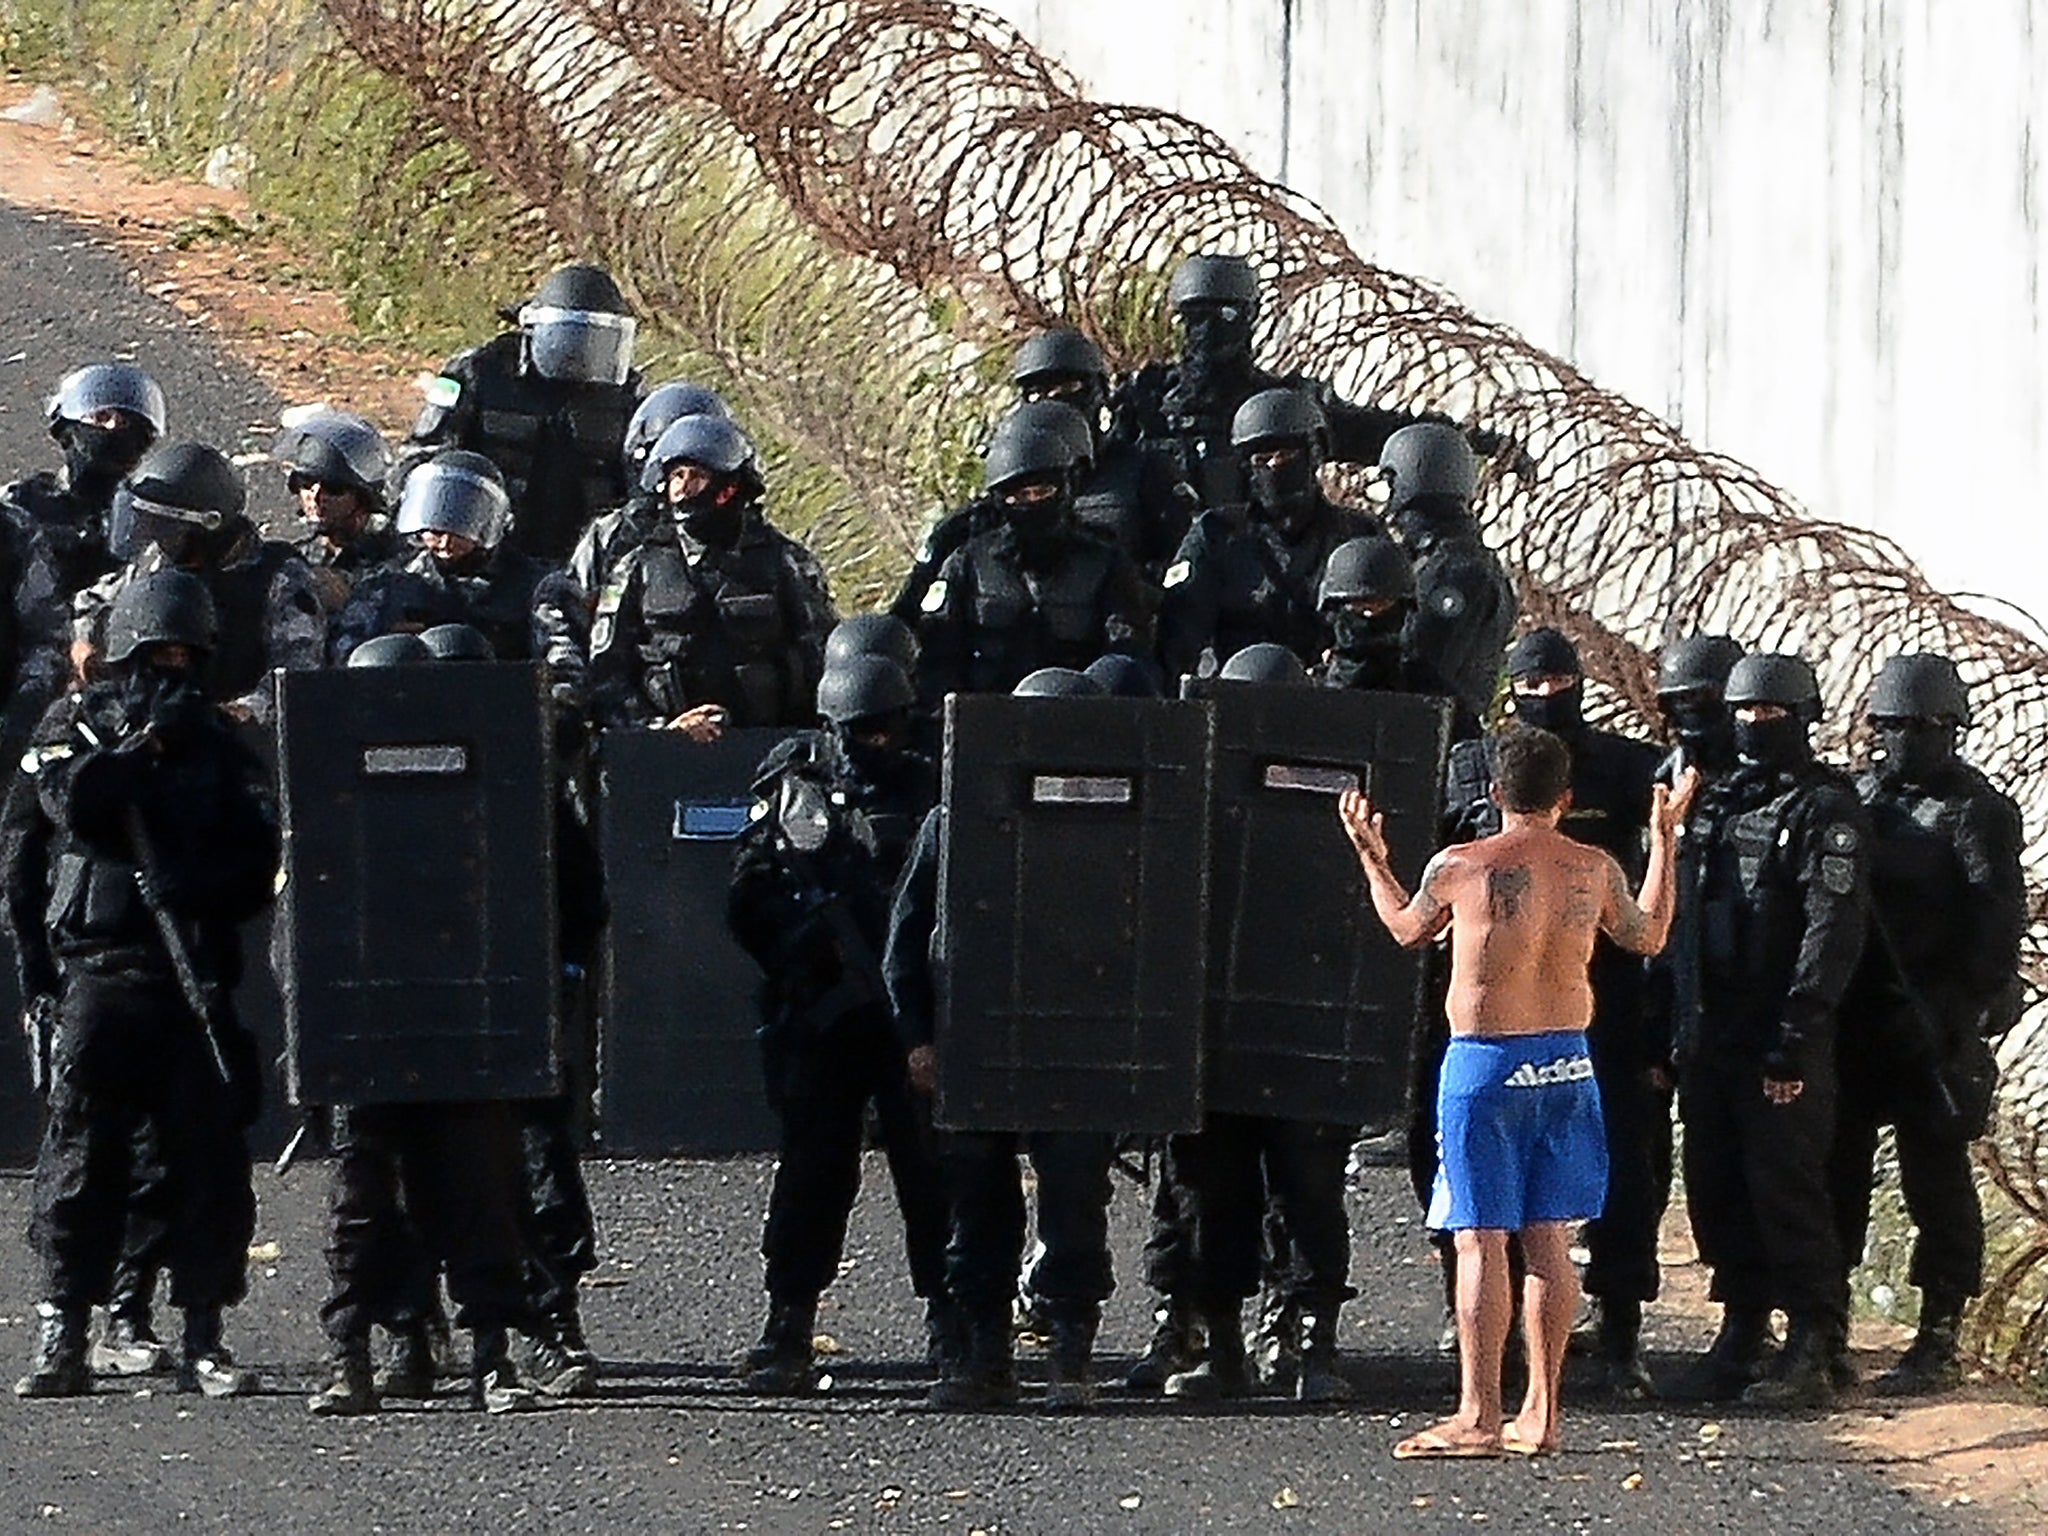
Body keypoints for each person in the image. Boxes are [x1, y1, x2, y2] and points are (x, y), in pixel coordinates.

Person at [1340, 727, 1692, 1457]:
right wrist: (1664, 839)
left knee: (1478, 1238)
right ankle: (1544, 1413)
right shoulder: (1593, 868)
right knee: (1548, 1240)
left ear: (1495, 794)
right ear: (1566, 799)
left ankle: (1479, 1413)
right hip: (1567, 1061)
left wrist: (1375, 864)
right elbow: (1650, 934)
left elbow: (1409, 932)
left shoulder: (1461, 865)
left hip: (1485, 1063)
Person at [5, 572, 278, 1399]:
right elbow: (61, 811)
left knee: (207, 1162)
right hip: (98, 975)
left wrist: (196, 888)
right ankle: (65, 1332)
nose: (169, 669)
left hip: (189, 977)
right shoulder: (73, 725)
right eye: (154, 654)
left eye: (183, 656)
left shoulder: (220, 745)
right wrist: (136, 749)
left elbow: (258, 858)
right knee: (82, 1160)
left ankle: (202, 1332)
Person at [305, 635, 537, 1417]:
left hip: (460, 1026)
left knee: (480, 1199)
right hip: (366, 1035)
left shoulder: (489, 784)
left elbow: (534, 899)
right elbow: (298, 930)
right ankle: (352, 1356)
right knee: (361, 1210)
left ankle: (492, 1358)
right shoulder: (326, 795)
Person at [884, 666, 1121, 1410]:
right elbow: (906, 942)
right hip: (975, 1040)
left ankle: (1070, 1351)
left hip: (1079, 1041)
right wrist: (916, 1038)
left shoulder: (1127, 822)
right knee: (977, 1205)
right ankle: (983, 1353)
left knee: (1075, 1199)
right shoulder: (954, 820)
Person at [1444, 629, 1665, 1397]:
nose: (1544, 693)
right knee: (1491, 1208)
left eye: (1557, 679)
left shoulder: (1629, 768)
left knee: (1617, 1174)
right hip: (1497, 1011)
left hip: (1603, 1005)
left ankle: (1622, 1329)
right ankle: (1489, 1349)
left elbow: (1654, 924)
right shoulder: (1469, 765)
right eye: (1528, 681)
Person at [726, 651, 949, 1392]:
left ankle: (953, 1321)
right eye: (862, 733)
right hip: (824, 1013)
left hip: (911, 1013)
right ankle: (788, 1320)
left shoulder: (934, 782)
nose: (876, 745)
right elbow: (746, 899)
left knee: (932, 1172)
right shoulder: (798, 788)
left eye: (886, 729)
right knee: (814, 1172)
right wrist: (802, 953)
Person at [1831, 653, 2026, 1394]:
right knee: (1835, 1174)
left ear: (1951, 729)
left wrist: (1951, 1013)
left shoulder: (1976, 811)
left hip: (1932, 1022)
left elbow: (1994, 928)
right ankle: (1828, 1322)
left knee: (1936, 1183)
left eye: (1917, 727)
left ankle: (1938, 1331)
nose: (1901, 739)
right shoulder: (1859, 797)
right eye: (1890, 726)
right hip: (1858, 1016)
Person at [1678, 653, 1868, 1409]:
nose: (1756, 726)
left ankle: (1815, 1343)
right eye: (1746, 714)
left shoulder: (1826, 809)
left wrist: (1798, 1028)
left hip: (1781, 1034)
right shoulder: (1716, 801)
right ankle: (1742, 1328)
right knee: (1716, 1188)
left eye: (1772, 715)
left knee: (1785, 1191)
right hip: (1713, 1033)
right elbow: (1685, 919)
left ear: (1804, 718)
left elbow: (1832, 930)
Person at [1108, 253, 1420, 514]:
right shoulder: (1145, 401)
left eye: (1224, 315)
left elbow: (1373, 435)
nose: (1206, 331)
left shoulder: (1283, 405)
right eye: (1194, 317)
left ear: (1248, 317)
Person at [582, 413, 836, 733]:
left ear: (728, 487)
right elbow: (606, 672)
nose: (684, 489)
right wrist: (659, 729)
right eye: (677, 476)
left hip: (769, 749)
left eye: (697, 477)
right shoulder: (636, 567)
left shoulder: (786, 562)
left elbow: (824, 660)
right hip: (660, 755)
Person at [399, 261, 643, 562]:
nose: (580, 350)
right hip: (483, 555)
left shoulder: (628, 396)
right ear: (535, 328)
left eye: (597, 339)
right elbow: (419, 456)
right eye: (572, 335)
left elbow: (644, 488)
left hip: (588, 561)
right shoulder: (474, 371)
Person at [71, 442, 325, 725]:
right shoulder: (155, 561)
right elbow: (90, 602)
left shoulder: (279, 577)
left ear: (208, 527)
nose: (155, 536)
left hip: (241, 744)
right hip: (149, 725)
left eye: (165, 527)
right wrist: (83, 642)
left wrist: (248, 709)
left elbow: (298, 670)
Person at [1157, 388, 1381, 681]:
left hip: (1332, 704)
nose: (1275, 466)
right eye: (1262, 459)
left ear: (1313, 453)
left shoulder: (1357, 536)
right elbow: (1178, 640)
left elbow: (1382, 636)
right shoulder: (1216, 534)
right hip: (1237, 701)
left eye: (1286, 455)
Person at [913, 428, 1149, 700]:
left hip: (1078, 715)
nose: (1033, 502)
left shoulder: (1104, 560)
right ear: (1002, 499)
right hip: (986, 719)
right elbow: (937, 657)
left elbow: (1127, 648)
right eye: (1021, 496)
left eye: (1043, 491)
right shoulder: (968, 563)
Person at [2, 363, 166, 738]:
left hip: (120, 668)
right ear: (66, 428)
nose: (112, 429)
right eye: (102, 416)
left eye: (126, 421)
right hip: (28, 667)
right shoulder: (19, 506)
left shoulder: (155, 514)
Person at [329, 450, 551, 664]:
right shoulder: (391, 582)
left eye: (459, 532)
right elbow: (343, 654)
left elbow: (560, 666)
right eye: (434, 532)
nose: (444, 543)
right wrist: (385, 643)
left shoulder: (537, 587)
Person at [1377, 423, 1516, 737]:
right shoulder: (1475, 561)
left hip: (1423, 739)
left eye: (1391, 484)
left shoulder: (1452, 568)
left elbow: (1415, 661)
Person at [271, 409, 400, 620]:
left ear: (363, 497)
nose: (317, 495)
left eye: (333, 487)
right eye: (305, 483)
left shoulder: (394, 559)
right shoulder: (292, 549)